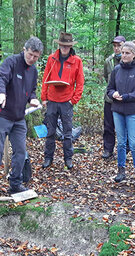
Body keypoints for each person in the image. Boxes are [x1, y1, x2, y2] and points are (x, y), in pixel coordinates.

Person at [0, 37, 43, 198]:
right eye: (30, 55)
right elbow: (1, 78)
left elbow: (32, 90)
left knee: (21, 151)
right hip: (0, 115)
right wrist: (1, 93)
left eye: (36, 57)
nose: (32, 59)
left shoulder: (34, 71)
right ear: (24, 50)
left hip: (19, 118)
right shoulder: (11, 62)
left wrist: (33, 99)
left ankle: (15, 183)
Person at [106, 40, 135, 191]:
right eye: (122, 53)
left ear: (134, 54)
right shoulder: (116, 69)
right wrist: (114, 94)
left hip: (133, 111)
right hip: (117, 110)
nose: (124, 55)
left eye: (127, 53)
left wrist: (126, 96)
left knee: (134, 144)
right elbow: (109, 89)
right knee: (120, 142)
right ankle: (121, 170)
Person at [40, 32, 84, 170]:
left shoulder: (77, 61)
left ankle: (68, 159)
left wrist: (73, 100)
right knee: (50, 131)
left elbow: (80, 82)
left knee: (67, 132)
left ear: (70, 47)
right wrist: (44, 98)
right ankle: (48, 158)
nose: (64, 48)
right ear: (59, 45)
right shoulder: (51, 59)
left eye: (67, 46)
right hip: (52, 100)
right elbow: (45, 79)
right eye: (62, 46)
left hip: (66, 102)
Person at [101, 35, 126, 159]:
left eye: (119, 45)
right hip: (110, 98)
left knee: (123, 126)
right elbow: (106, 77)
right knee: (108, 125)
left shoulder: (129, 60)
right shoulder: (108, 61)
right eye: (115, 46)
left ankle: (124, 150)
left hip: (125, 100)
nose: (116, 48)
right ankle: (108, 149)